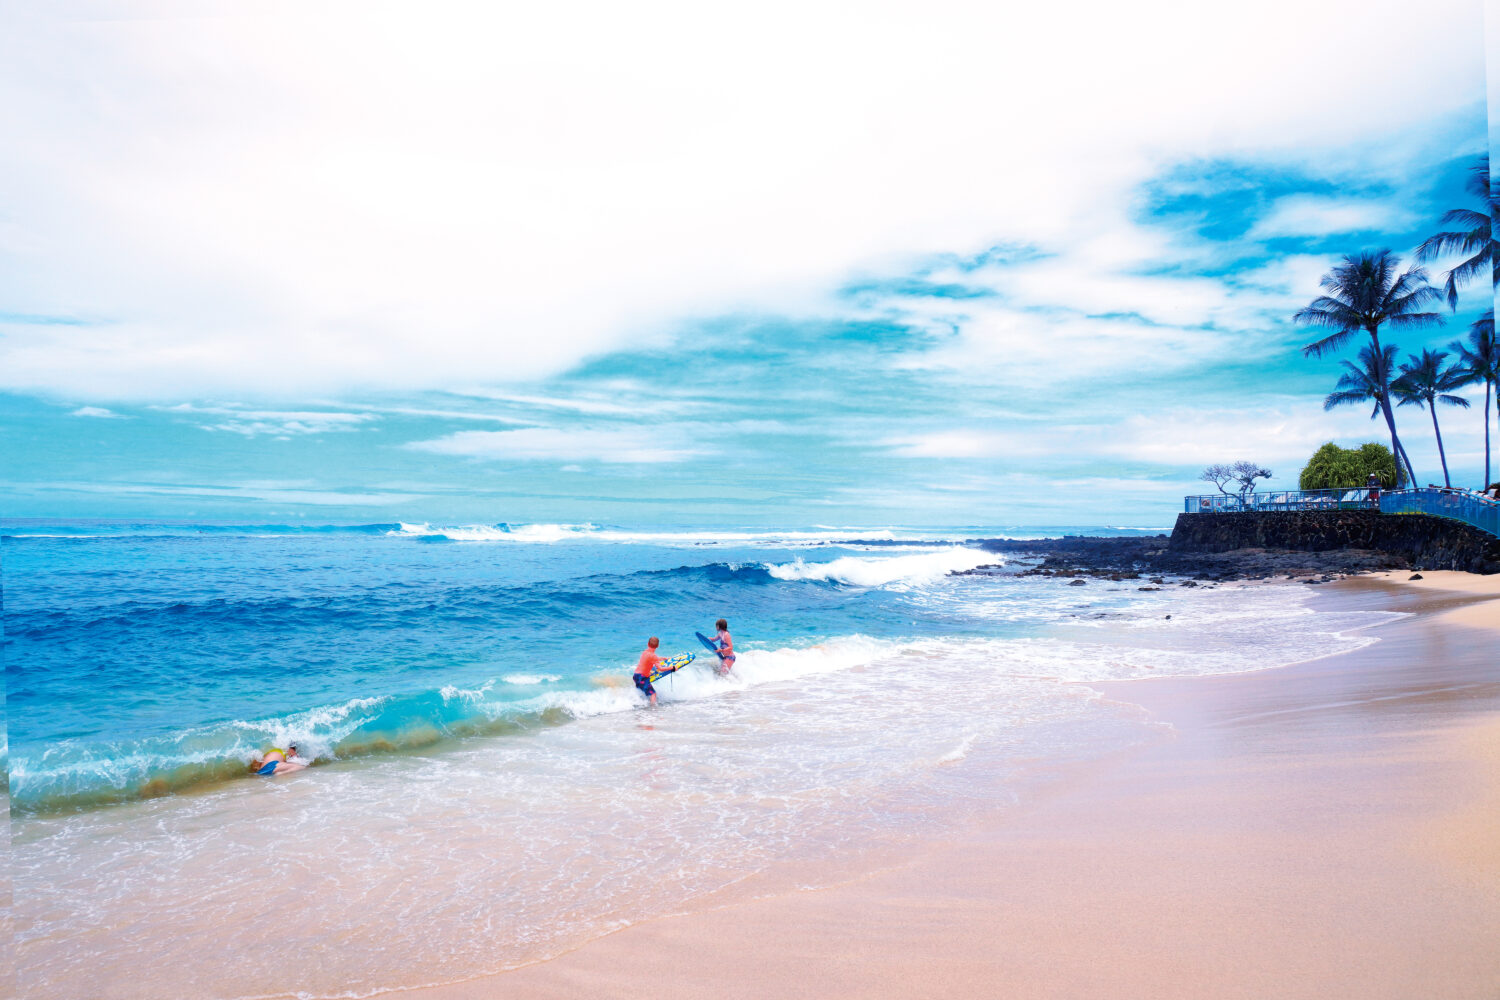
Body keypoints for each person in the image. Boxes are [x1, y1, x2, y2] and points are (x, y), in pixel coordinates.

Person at [633, 637, 663, 705]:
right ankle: (653, 709)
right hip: (642, 677)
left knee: (640, 691)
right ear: (658, 646)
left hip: (636, 676)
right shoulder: (653, 656)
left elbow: (653, 660)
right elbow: (661, 668)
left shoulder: (645, 652)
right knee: (653, 694)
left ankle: (637, 704)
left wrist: (664, 658)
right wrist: (673, 668)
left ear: (647, 644)